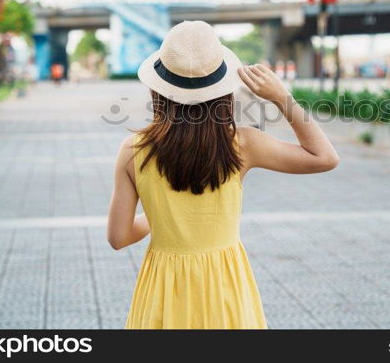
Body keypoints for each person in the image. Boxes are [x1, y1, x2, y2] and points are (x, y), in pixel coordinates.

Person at [107, 20, 339, 329]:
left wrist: (159, 216)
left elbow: (118, 237)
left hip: (163, 291)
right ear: (223, 88)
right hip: (225, 287)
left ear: (157, 89)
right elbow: (324, 157)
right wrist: (282, 97)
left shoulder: (133, 150)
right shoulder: (243, 143)